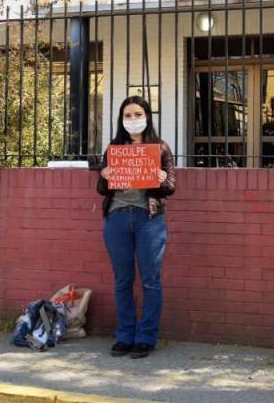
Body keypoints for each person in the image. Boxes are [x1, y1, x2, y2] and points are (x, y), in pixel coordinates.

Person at [96, 96, 176, 359]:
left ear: (147, 116)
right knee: (123, 281)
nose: (133, 119)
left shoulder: (160, 148)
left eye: (138, 114)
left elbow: (171, 187)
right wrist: (104, 176)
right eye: (128, 115)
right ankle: (124, 336)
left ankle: (146, 338)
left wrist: (162, 180)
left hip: (149, 220)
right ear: (121, 119)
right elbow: (101, 189)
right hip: (117, 219)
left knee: (150, 281)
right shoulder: (114, 148)